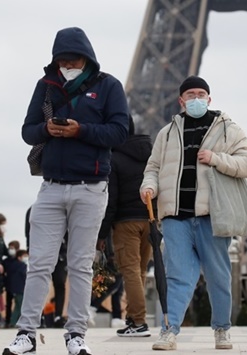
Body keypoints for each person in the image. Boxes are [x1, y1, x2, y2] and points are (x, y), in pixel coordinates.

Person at [2, 26, 129, 355]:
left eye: (72, 60)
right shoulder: (46, 86)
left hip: (91, 186)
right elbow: (27, 131)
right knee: (40, 264)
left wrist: (80, 131)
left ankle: (76, 334)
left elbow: (120, 131)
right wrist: (46, 128)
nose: (67, 66)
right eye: (62, 61)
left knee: (81, 264)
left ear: (86, 58)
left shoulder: (109, 86)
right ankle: (27, 333)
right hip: (51, 187)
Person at [140, 76, 247, 351]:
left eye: (201, 93)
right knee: (177, 276)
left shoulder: (229, 129)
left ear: (209, 98)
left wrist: (216, 159)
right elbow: (153, 168)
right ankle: (170, 331)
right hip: (175, 215)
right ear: (181, 100)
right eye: (190, 94)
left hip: (211, 215)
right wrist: (148, 186)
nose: (196, 98)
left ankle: (221, 329)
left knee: (218, 275)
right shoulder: (166, 133)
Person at [97, 115, 153, 337]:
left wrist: (102, 233)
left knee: (129, 271)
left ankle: (138, 322)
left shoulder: (115, 158)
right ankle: (132, 319)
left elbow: (111, 200)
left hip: (126, 222)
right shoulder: (151, 154)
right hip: (150, 219)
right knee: (139, 272)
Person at [5, 249, 28, 327]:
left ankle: (13, 322)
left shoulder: (12, 265)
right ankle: (20, 323)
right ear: (19, 257)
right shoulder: (23, 266)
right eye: (24, 256)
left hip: (14, 289)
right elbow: (24, 277)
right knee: (21, 307)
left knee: (17, 306)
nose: (26, 258)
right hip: (21, 289)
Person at [3, 240, 21, 328]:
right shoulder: (6, 261)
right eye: (9, 248)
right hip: (8, 285)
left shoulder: (19, 261)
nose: (10, 250)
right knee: (8, 304)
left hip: (18, 286)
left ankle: (16, 321)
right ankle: (8, 321)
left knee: (18, 304)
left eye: (12, 248)